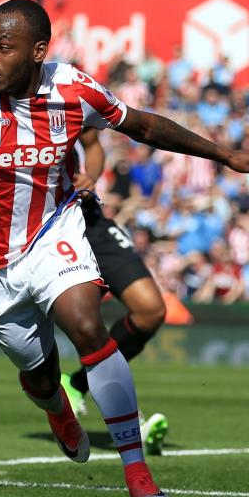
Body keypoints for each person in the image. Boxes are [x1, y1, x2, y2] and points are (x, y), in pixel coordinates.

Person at [0, 0, 249, 497]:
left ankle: (137, 473)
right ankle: (58, 411)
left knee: (86, 323)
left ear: (38, 51)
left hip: (54, 232)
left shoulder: (73, 88)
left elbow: (141, 126)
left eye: (4, 47)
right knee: (41, 375)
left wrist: (223, 154)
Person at [62, 128, 169, 455]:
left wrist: (90, 176)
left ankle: (77, 384)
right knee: (88, 329)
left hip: (93, 222)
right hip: (48, 226)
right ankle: (131, 427)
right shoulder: (2, 102)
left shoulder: (67, 90)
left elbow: (92, 144)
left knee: (151, 309)